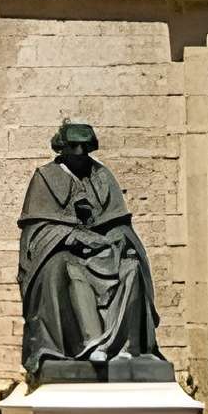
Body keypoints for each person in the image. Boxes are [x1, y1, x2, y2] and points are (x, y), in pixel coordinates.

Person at [16, 119, 171, 381]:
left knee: (132, 267)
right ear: (62, 149)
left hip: (103, 251)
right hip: (64, 251)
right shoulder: (45, 177)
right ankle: (90, 345)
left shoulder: (101, 175)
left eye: (85, 148)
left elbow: (120, 223)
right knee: (67, 268)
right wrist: (72, 237)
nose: (79, 155)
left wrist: (117, 242)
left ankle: (126, 348)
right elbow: (38, 231)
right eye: (74, 147)